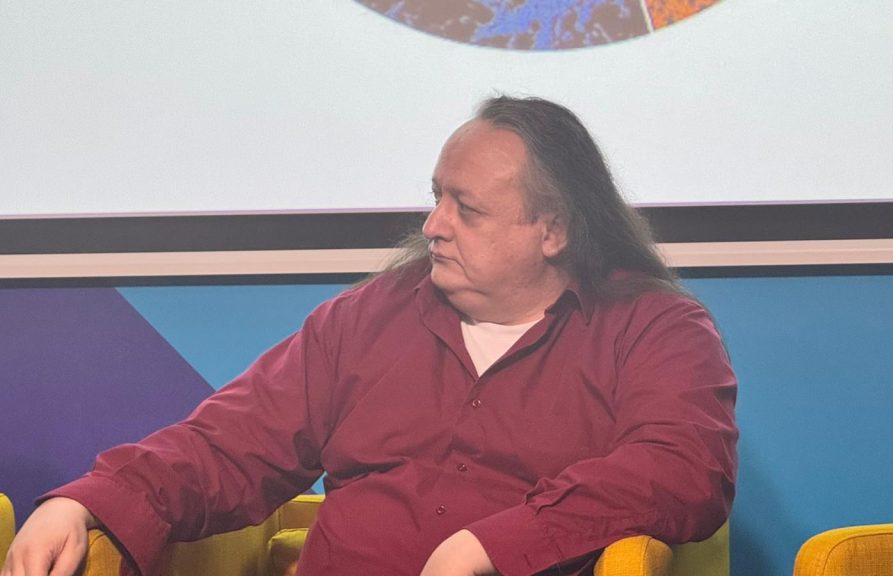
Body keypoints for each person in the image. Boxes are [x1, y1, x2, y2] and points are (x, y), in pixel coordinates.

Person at [2, 96, 738, 576]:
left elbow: (683, 469)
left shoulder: (656, 329)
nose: (433, 225)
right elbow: (229, 445)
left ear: (553, 230)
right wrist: (87, 500)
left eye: (467, 209)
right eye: (436, 197)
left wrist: (489, 546)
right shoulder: (367, 317)